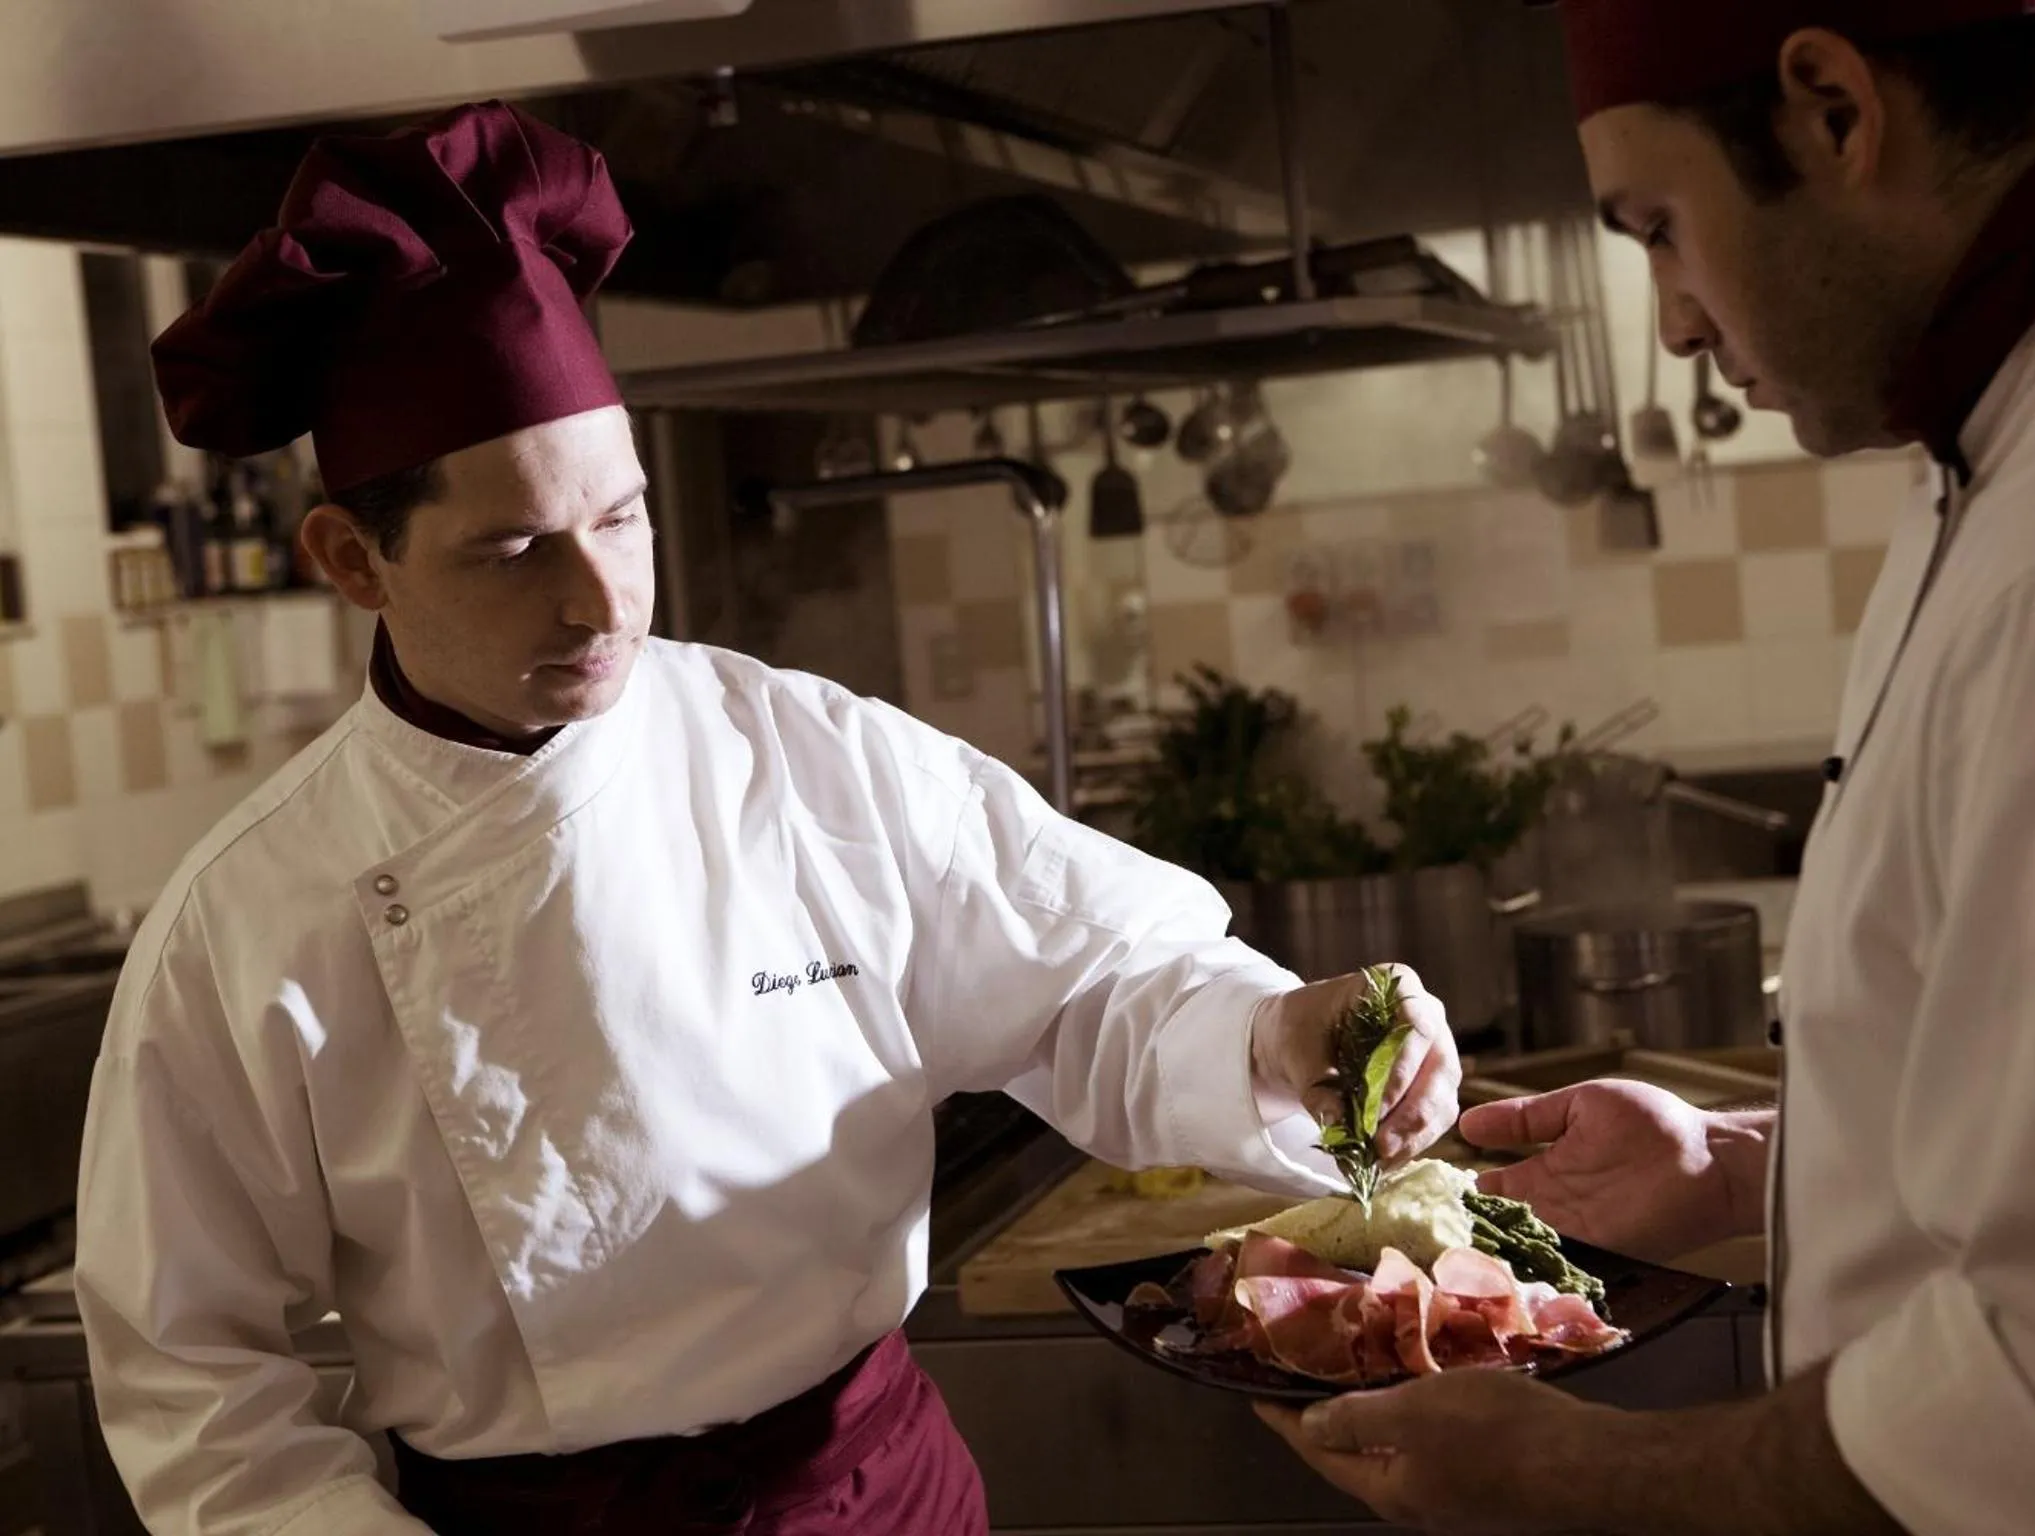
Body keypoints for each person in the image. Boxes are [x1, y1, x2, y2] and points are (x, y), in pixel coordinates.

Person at [72, 100, 1463, 1536]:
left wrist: (1278, 1034)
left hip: (875, 1497)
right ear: (352, 559)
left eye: (622, 519)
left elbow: (1091, 982)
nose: (601, 602)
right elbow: (193, 1380)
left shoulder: (795, 752)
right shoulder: (244, 921)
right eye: (513, 550)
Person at [1259, 2, 2035, 1532]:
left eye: (1661, 228)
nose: (1674, 320)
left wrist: (1571, 1478)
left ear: (1831, 108)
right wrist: (1752, 1166)